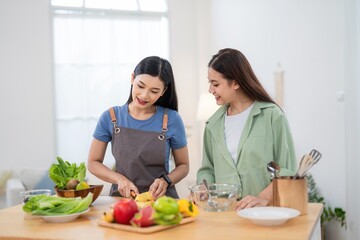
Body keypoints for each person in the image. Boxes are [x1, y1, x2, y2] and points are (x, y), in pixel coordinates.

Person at [196, 48, 297, 210]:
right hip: (227, 216)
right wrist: (203, 187)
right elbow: (207, 169)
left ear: (235, 82)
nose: (210, 90)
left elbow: (288, 169)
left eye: (215, 84)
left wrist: (262, 199)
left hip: (266, 213)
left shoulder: (272, 116)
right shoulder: (212, 125)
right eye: (210, 83)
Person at [88, 56, 189, 199]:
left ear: (163, 91)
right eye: (140, 86)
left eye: (154, 91)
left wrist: (166, 181)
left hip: (162, 201)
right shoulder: (110, 117)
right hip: (122, 200)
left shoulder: (171, 119)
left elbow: (184, 166)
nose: (144, 95)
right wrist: (119, 179)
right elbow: (93, 163)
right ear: (132, 78)